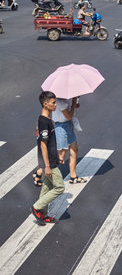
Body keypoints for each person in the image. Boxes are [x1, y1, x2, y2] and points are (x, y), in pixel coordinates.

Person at [31, 91, 65, 226]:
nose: (55, 105)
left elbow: (50, 142)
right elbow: (43, 145)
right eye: (53, 103)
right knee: (59, 188)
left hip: (51, 159)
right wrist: (47, 166)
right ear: (45, 104)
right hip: (48, 162)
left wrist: (57, 157)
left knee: (46, 187)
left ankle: (43, 215)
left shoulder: (45, 120)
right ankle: (37, 207)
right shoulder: (44, 122)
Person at [52, 97, 87, 184]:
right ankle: (39, 172)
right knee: (61, 157)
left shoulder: (63, 100)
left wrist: (73, 105)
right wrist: (74, 103)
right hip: (61, 128)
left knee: (74, 150)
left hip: (68, 126)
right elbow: (68, 116)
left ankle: (73, 176)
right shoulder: (59, 102)